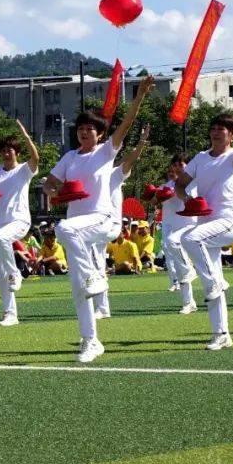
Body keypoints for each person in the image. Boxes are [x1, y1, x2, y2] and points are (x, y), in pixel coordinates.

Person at [45, 76, 153, 363]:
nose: (84, 133)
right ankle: (90, 341)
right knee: (79, 289)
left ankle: (96, 274)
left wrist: (139, 95)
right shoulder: (69, 157)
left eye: (89, 129)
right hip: (78, 227)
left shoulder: (106, 152)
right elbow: (49, 183)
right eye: (80, 129)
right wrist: (58, 190)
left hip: (102, 219)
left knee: (64, 229)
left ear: (100, 134)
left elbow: (126, 124)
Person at [173, 98, 233, 351]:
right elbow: (180, 184)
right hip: (207, 224)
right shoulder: (200, 158)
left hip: (228, 222)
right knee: (212, 280)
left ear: (232, 135)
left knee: (188, 239)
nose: (216, 132)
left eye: (222, 129)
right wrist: (188, 199)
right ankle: (221, 334)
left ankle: (213, 282)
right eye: (214, 128)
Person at [0, 120, 39, 328]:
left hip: (19, 220)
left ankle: (17, 273)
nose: (7, 154)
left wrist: (25, 136)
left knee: (3, 243)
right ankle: (10, 313)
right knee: (1, 273)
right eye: (4, 151)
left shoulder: (24, 170)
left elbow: (36, 158)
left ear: (17, 153)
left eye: (11, 150)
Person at [93, 125, 151, 320]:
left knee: (95, 261)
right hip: (95, 224)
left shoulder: (115, 173)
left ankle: (101, 303)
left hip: (110, 225)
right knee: (95, 262)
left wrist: (142, 142)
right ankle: (102, 306)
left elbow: (130, 159)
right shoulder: (91, 175)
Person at [156, 154, 198, 311]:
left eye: (181, 164)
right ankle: (189, 302)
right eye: (175, 165)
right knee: (181, 267)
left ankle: (216, 284)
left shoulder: (195, 181)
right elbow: (154, 201)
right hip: (173, 227)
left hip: (192, 227)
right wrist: (158, 195)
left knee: (186, 261)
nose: (177, 167)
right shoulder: (167, 186)